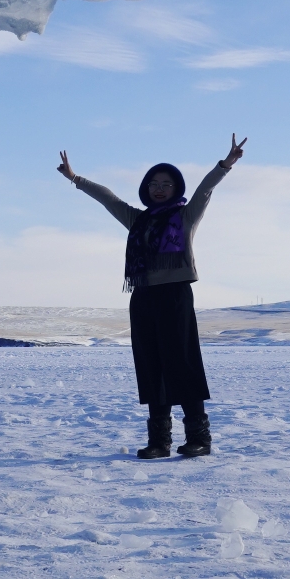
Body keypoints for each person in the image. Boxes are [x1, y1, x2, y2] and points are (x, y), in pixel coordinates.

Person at [58, 135, 247, 459]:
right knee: (151, 366)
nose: (160, 188)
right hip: (143, 297)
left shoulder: (185, 217)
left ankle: (199, 438)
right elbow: (108, 199)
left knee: (182, 364)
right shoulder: (137, 220)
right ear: (146, 188)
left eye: (167, 184)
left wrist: (225, 165)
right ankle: (160, 441)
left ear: (176, 189)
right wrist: (76, 179)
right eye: (154, 184)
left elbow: (204, 190)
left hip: (175, 296)